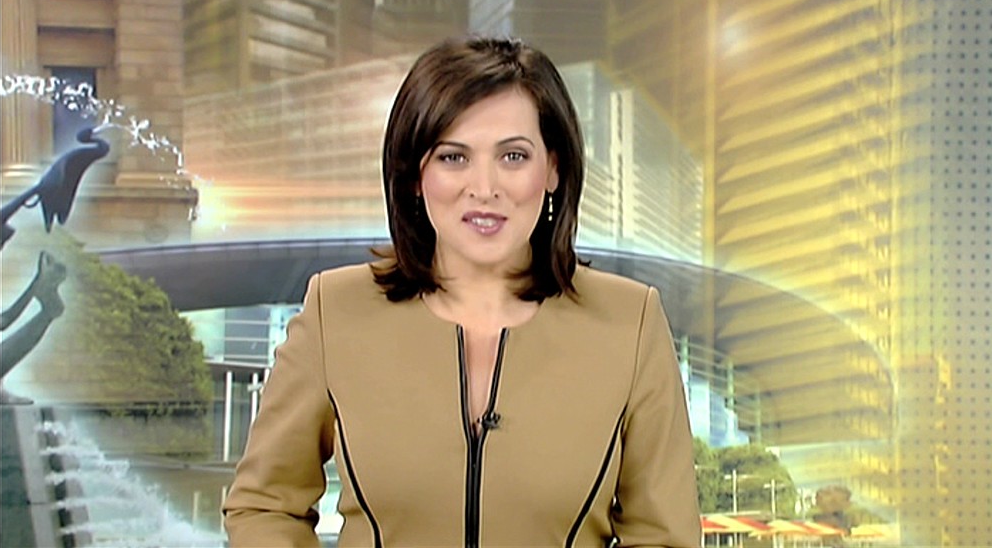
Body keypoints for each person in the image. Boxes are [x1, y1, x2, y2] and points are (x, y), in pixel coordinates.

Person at [222, 35, 702, 548]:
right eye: (453, 157)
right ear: (415, 175)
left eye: (513, 156)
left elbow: (664, 538)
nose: (484, 187)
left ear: (553, 169)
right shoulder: (333, 311)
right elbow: (263, 506)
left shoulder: (630, 324)